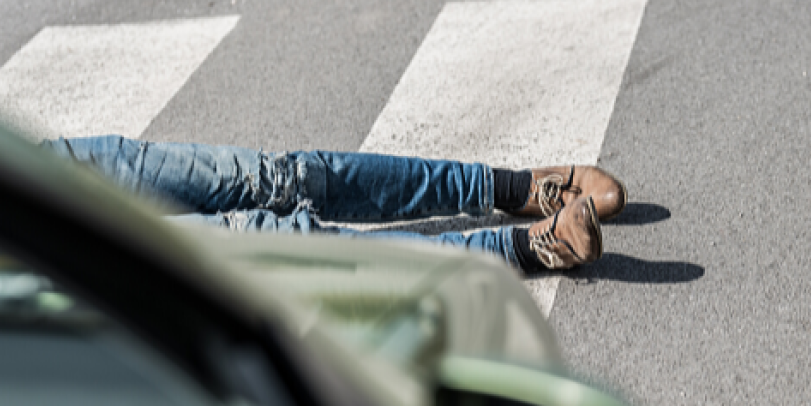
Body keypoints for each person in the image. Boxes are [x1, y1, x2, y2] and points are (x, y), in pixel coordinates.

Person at [44, 135, 627, 273]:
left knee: (275, 178)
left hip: (36, 167)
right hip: (32, 254)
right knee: (276, 242)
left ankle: (516, 188)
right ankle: (525, 246)